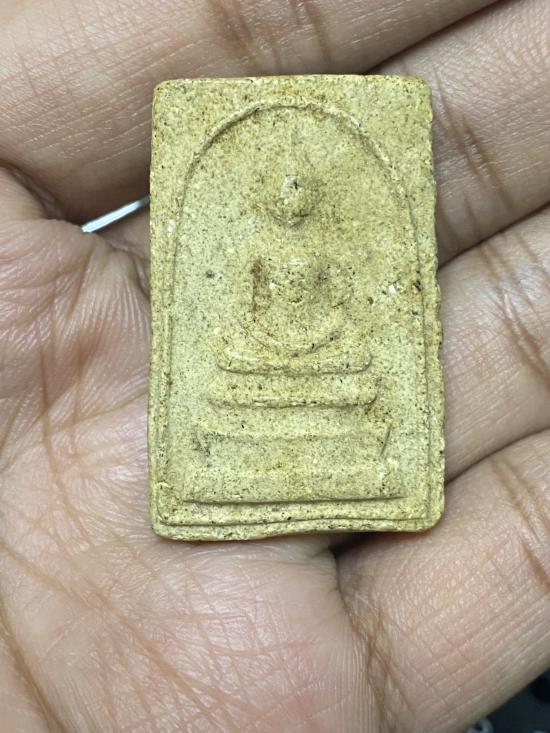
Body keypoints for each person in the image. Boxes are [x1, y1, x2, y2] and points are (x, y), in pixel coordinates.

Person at [0, 1, 548, 730]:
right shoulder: (255, 251)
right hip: (260, 362)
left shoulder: (325, 249)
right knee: (230, 370)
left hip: (322, 356)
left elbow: (344, 315)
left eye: (300, 191)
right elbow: (246, 321)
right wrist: (261, 347)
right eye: (281, 192)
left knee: (357, 370)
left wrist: (325, 341)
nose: (291, 202)